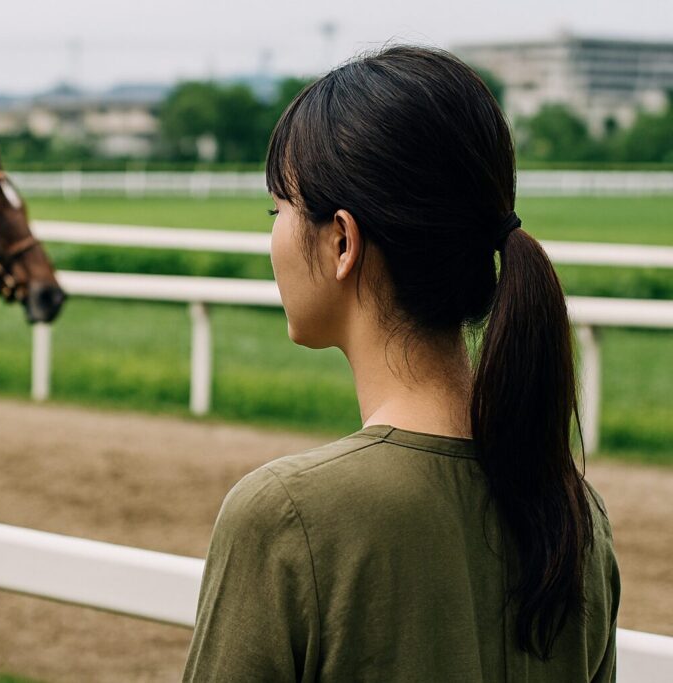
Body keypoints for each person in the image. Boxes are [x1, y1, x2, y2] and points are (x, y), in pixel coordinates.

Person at [183, 46, 619, 682]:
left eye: (277, 211)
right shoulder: (577, 514)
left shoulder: (284, 515)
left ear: (341, 241)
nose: (272, 237)